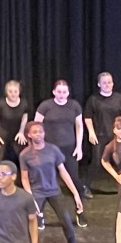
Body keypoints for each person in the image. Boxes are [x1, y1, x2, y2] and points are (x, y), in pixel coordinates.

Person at [19, 122, 90, 243]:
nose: (38, 134)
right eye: (35, 132)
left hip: (53, 191)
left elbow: (63, 172)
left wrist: (75, 194)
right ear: (29, 135)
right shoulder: (25, 155)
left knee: (67, 222)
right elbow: (24, 179)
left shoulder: (53, 150)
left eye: (40, 131)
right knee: (30, 224)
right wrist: (30, 198)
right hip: (37, 192)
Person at [34, 80, 87, 228]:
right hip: (48, 149)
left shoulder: (74, 106)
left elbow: (79, 126)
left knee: (75, 181)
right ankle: (39, 215)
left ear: (68, 93)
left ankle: (80, 211)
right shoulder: (45, 106)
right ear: (54, 92)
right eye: (59, 92)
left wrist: (79, 146)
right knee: (45, 183)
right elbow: (35, 126)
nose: (62, 95)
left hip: (68, 149)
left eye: (64, 92)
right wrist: (36, 146)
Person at [83, 72, 121, 198]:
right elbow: (87, 117)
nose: (107, 85)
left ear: (113, 83)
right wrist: (91, 132)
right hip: (100, 135)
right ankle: (85, 186)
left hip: (116, 135)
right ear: (99, 84)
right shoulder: (93, 99)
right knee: (97, 162)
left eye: (109, 82)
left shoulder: (119, 98)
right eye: (104, 82)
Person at [0, 79, 29, 193]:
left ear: (19, 92)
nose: (13, 94)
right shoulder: (0, 104)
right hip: (2, 133)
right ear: (7, 92)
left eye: (15, 91)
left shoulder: (24, 103)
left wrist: (21, 131)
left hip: (16, 134)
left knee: (23, 160)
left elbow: (25, 117)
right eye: (10, 91)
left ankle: (23, 186)